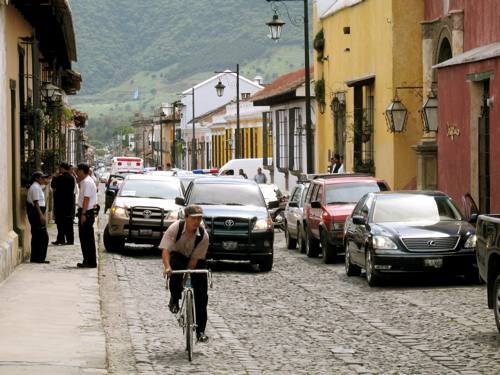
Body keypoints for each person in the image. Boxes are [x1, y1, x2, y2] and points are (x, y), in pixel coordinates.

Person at [161, 205, 210, 343]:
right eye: (194, 218)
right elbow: (165, 250)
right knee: (175, 268)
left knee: (201, 294)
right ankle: (175, 298)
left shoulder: (203, 236)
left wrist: (186, 278)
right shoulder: (175, 228)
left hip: (196, 259)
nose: (197, 222)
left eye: (199, 219)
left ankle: (200, 331)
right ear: (186, 217)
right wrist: (167, 267)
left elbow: (194, 261)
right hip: (178, 254)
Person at [76, 163, 98, 268]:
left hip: (87, 212)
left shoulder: (87, 182)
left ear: (81, 171)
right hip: (86, 211)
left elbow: (86, 199)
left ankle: (90, 261)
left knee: (87, 238)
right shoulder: (84, 181)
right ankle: (87, 260)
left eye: (78, 171)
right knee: (84, 237)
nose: (76, 173)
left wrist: (83, 214)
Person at [26, 171, 50, 263]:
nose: (43, 179)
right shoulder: (35, 187)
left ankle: (36, 258)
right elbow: (36, 202)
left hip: (37, 212)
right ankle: (39, 258)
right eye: (42, 178)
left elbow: (44, 185)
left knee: (37, 236)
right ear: (36, 178)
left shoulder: (37, 186)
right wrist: (41, 215)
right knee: (42, 237)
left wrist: (48, 181)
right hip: (37, 213)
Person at [51, 162, 76, 245]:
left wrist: (55, 176)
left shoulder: (60, 178)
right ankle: (70, 240)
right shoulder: (72, 178)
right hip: (69, 203)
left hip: (60, 204)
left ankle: (61, 239)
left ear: (62, 168)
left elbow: (53, 185)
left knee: (60, 223)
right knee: (69, 223)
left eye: (59, 168)